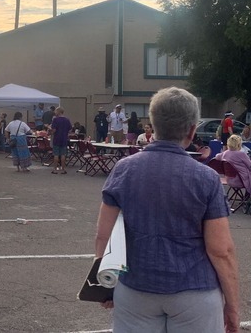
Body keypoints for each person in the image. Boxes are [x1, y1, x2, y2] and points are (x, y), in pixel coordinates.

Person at [95, 87, 239, 332]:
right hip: (194, 292)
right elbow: (220, 251)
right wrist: (233, 307)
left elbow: (103, 235)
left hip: (136, 289)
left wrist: (104, 284)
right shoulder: (206, 178)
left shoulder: (124, 169)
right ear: (192, 129)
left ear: (152, 124)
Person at [50, 107, 72, 174]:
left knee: (56, 154)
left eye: (56, 112)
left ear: (59, 112)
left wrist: (50, 130)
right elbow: (70, 129)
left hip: (57, 138)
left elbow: (54, 130)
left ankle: (55, 169)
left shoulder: (55, 120)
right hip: (64, 138)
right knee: (63, 154)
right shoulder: (67, 120)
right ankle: (63, 169)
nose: (55, 113)